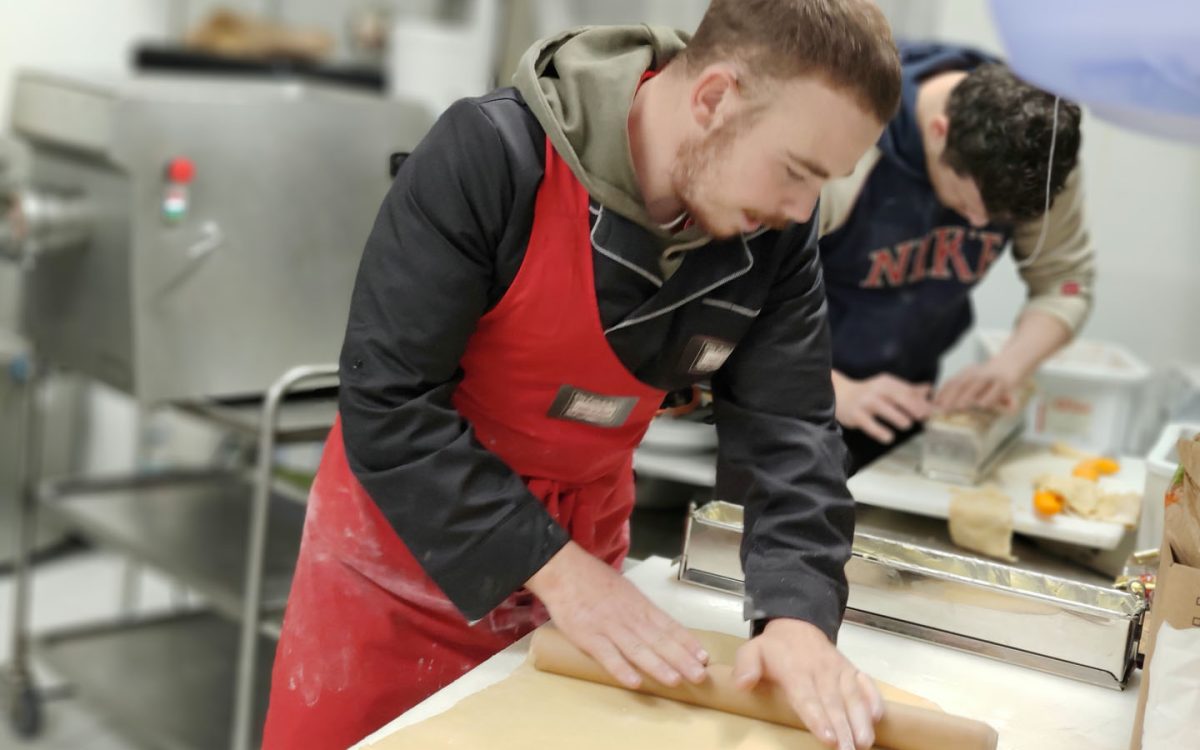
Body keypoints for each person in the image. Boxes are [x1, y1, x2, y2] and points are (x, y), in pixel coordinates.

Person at [262, 2, 901, 748]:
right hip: (400, 573)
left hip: (586, 561)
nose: (801, 209)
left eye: (823, 181)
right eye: (796, 170)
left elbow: (788, 428)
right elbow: (389, 400)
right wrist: (556, 572)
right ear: (714, 98)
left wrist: (795, 614)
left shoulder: (775, 231)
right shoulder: (493, 156)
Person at [817, 43, 1091, 472]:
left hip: (903, 400)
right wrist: (832, 390)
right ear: (940, 132)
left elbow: (1065, 282)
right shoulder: (848, 137)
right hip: (791, 394)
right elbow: (750, 296)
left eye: (999, 217)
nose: (980, 225)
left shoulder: (1043, 158)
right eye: (969, 205)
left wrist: (1005, 368)